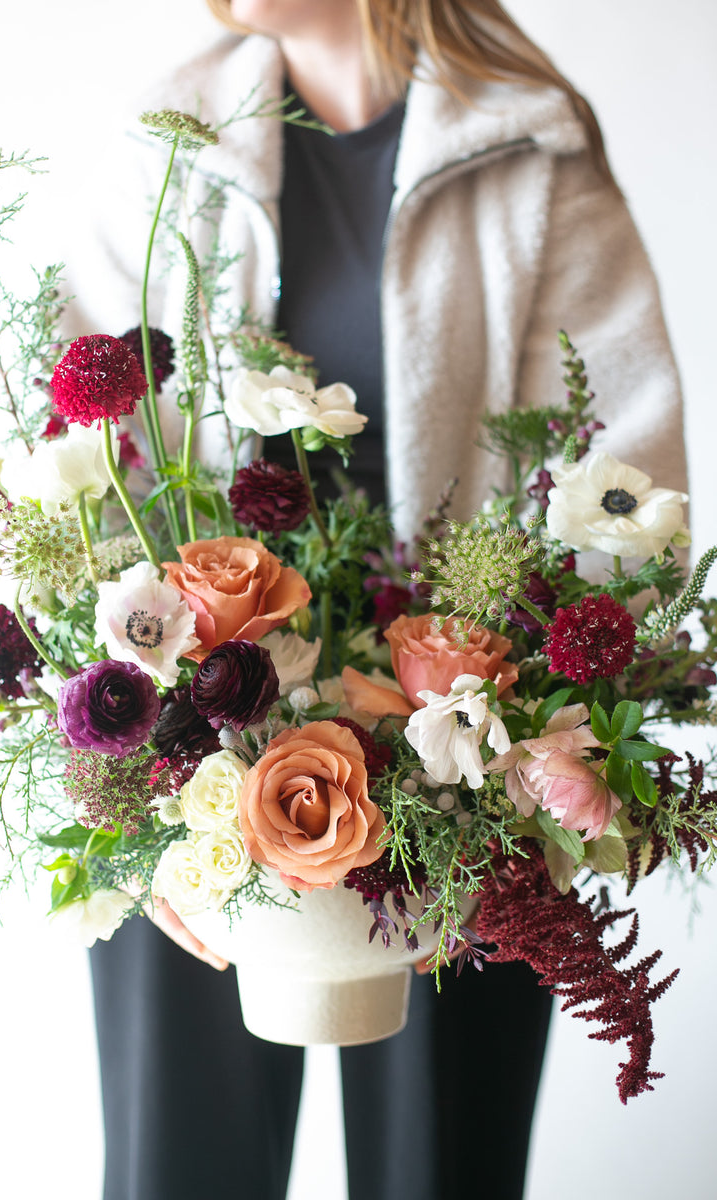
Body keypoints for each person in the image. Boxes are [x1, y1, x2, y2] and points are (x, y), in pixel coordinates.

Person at [77, 2, 687, 1197]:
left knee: (437, 1171)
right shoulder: (176, 141)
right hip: (196, 759)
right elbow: (95, 464)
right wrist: (134, 787)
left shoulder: (529, 155)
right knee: (175, 1170)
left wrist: (510, 770)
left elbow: (625, 487)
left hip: (463, 769)